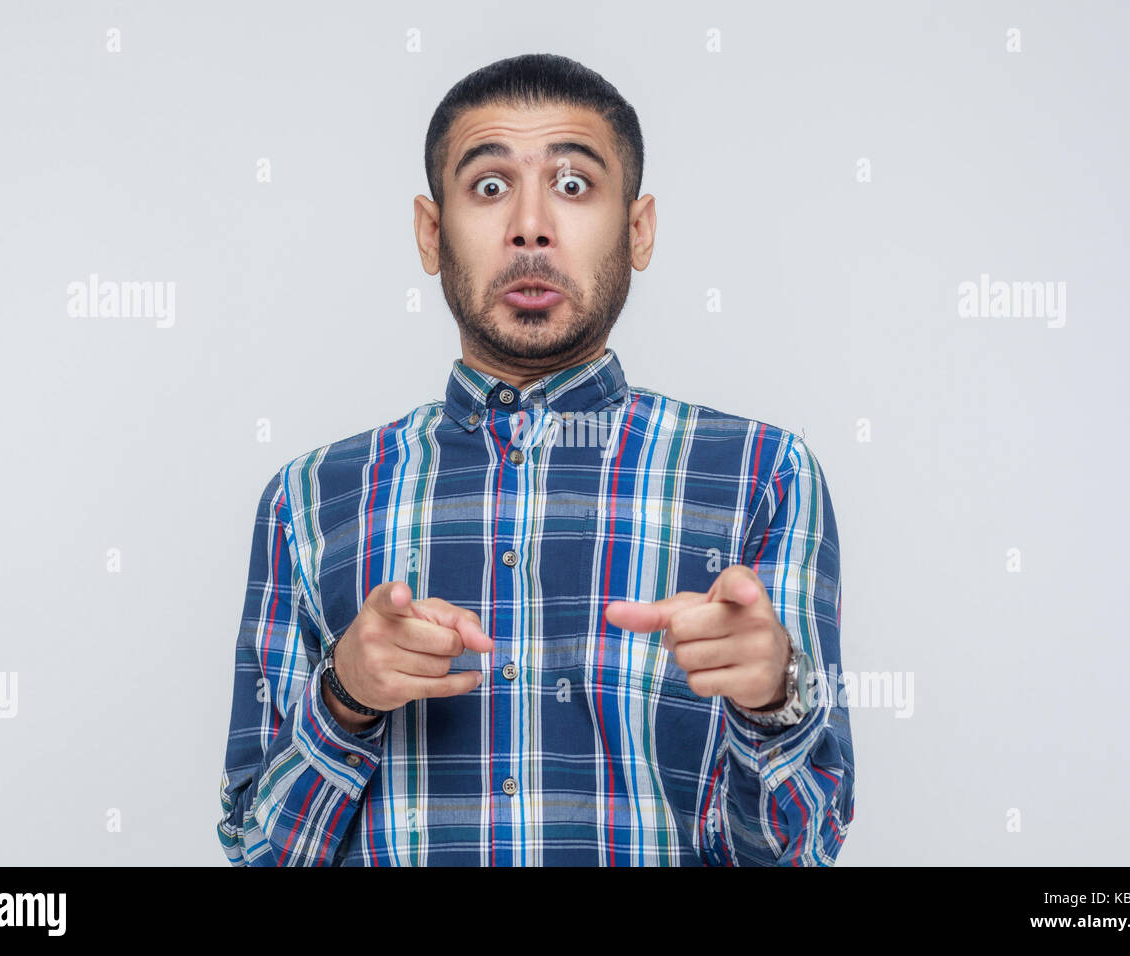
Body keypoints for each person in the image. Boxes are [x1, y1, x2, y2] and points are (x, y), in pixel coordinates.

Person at [217, 53, 853, 866]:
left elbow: (800, 849)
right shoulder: (309, 500)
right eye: (488, 187)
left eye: (574, 185)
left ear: (639, 229)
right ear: (429, 231)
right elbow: (258, 851)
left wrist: (773, 699)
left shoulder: (765, 475)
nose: (529, 226)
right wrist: (343, 697)